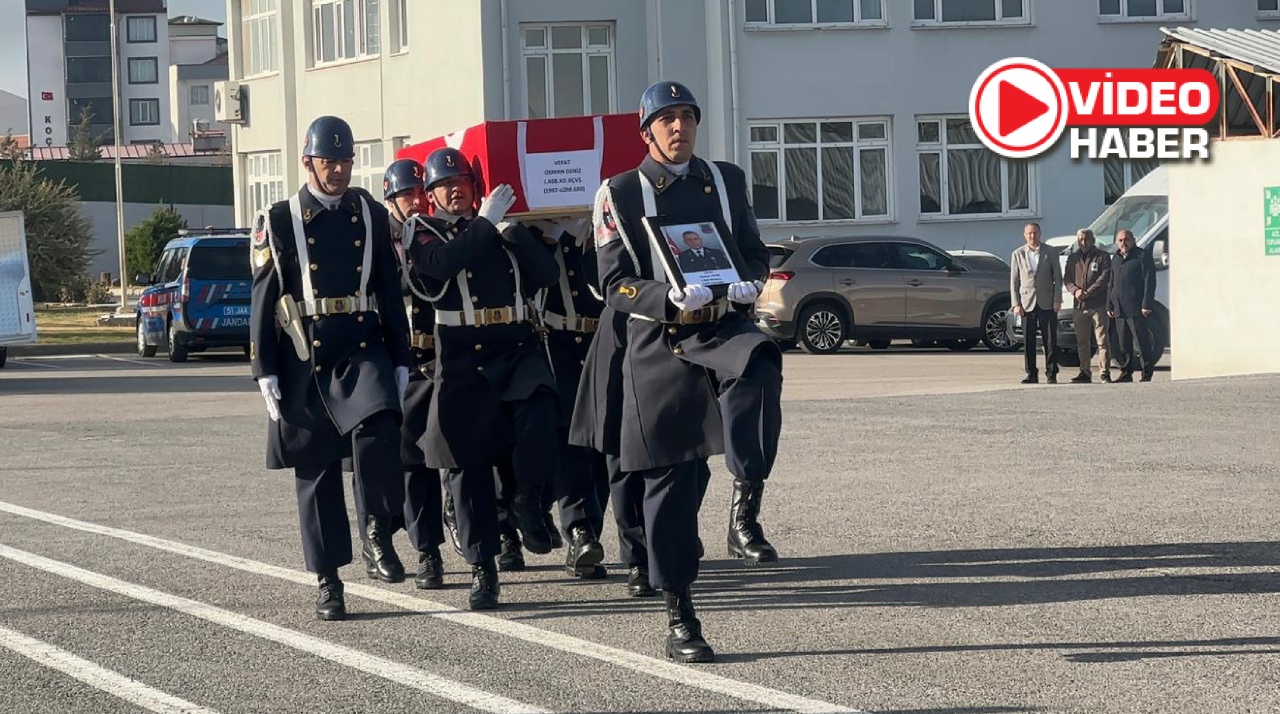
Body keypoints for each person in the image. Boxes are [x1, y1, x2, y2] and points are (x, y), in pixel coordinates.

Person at [587, 80, 783, 663]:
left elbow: (753, 248)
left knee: (760, 363)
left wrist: (749, 281)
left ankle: (746, 501)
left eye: (688, 118)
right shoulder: (618, 193)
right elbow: (611, 281)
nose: (680, 128)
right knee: (673, 482)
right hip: (661, 338)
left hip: (721, 326)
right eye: (667, 120)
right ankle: (680, 609)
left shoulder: (725, 179)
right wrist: (665, 299)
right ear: (647, 131)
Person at [248, 115, 412, 620]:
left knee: (379, 426)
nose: (338, 170)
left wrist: (402, 357)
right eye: (328, 161)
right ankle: (328, 581)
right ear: (307, 162)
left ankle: (378, 532)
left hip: (361, 343)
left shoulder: (369, 212)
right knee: (316, 471)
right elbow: (263, 297)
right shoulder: (277, 220)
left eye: (345, 160)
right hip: (306, 353)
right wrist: (264, 369)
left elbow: (388, 287)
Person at [406, 146, 561, 610]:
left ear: (476, 187)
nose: (455, 190)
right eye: (443, 185)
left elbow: (546, 275)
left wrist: (522, 237)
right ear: (431, 195)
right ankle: (482, 567)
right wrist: (486, 225)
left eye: (462, 183)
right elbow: (436, 271)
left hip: (515, 344)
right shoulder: (423, 230)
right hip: (462, 354)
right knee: (467, 466)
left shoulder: (500, 226)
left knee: (543, 410)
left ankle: (527, 499)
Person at [346, 157, 445, 589]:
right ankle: (380, 537)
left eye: (421, 192)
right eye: (407, 194)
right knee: (391, 461)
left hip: (430, 361)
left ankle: (429, 553)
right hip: (388, 363)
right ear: (391, 199)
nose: (417, 201)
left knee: (425, 460)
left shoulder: (430, 233)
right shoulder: (378, 237)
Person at [528, 216, 610, 579]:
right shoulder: (532, 228)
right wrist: (551, 234)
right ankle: (580, 531)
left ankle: (591, 529)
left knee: (605, 445)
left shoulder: (608, 222)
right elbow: (532, 278)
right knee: (570, 439)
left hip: (603, 340)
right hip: (556, 342)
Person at [1010, 222, 1063, 384]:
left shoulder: (1050, 252)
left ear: (1040, 234)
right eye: (1029, 233)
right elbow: (1014, 281)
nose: (1032, 236)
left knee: (1050, 340)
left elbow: (1058, 278)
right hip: (1027, 303)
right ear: (1024, 235)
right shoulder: (1018, 254)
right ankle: (1031, 373)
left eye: (1035, 233)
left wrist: (1057, 299)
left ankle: (1052, 372)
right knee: (1029, 340)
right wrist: (1016, 304)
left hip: (1047, 301)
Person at [1107, 228, 1158, 383]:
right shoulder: (1115, 258)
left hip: (1136, 308)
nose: (1124, 243)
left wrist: (1146, 303)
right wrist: (1109, 304)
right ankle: (1126, 372)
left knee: (1141, 342)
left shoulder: (1142, 256)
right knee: (1123, 343)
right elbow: (1111, 283)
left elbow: (1150, 282)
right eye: (1120, 240)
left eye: (1126, 240)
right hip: (1119, 308)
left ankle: (1146, 373)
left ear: (1133, 240)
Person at [1063, 228, 1112, 384]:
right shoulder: (1072, 259)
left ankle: (1104, 372)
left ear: (1093, 240)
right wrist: (1076, 291)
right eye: (1081, 239)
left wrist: (1088, 292)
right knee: (1082, 342)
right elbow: (1067, 279)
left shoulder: (1103, 257)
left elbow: (1104, 278)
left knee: (1102, 341)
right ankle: (1084, 372)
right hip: (1079, 305)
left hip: (1098, 304)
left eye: (1087, 239)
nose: (1084, 242)